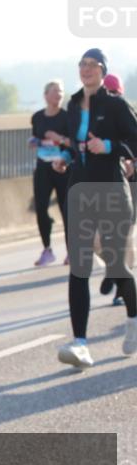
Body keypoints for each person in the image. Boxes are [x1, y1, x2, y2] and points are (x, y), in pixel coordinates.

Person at [54, 50, 137, 368]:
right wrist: (67, 157)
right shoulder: (73, 105)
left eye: (92, 65)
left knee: (117, 267)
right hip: (80, 192)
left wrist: (111, 147)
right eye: (82, 65)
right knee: (79, 266)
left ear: (103, 72)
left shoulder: (115, 105)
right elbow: (74, 143)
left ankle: (133, 317)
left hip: (113, 192)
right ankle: (80, 344)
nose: (86, 70)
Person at [97, 73, 136, 306]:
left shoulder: (126, 113)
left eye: (114, 93)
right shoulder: (91, 117)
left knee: (126, 237)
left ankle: (123, 288)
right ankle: (115, 269)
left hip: (129, 185)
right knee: (96, 239)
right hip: (100, 183)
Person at [28, 80, 71, 266]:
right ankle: (47, 250)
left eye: (60, 92)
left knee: (67, 210)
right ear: (46, 95)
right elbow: (36, 136)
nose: (58, 95)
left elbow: (74, 143)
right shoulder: (37, 117)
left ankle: (71, 252)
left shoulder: (68, 117)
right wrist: (34, 141)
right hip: (43, 167)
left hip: (62, 167)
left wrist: (59, 138)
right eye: (54, 91)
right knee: (41, 208)